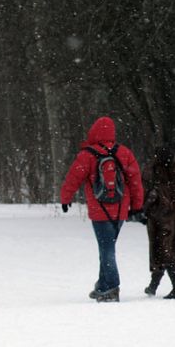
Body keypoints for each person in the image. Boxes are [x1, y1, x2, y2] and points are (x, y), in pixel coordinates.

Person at [59, 116, 144, 302]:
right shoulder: (124, 153)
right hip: (121, 209)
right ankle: (103, 285)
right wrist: (137, 206)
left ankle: (112, 287)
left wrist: (65, 198)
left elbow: (73, 177)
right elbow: (135, 181)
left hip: (100, 210)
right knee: (108, 246)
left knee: (106, 248)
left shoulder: (88, 154)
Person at [142, 147, 175, 299]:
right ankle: (153, 286)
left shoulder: (154, 173)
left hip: (161, 218)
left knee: (163, 252)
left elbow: (151, 194)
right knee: (168, 251)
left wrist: (145, 210)